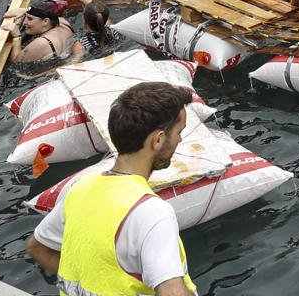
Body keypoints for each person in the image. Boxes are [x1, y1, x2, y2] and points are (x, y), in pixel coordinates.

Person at [27, 80, 197, 296]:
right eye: (179, 132)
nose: (180, 139)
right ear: (158, 140)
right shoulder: (152, 212)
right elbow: (172, 293)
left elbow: (37, 247)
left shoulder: (80, 189)